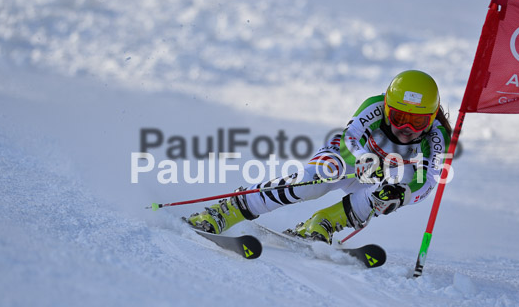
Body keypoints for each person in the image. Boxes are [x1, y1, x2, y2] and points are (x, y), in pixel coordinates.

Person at [187, 70, 452, 243]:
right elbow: (350, 137)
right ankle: (229, 209)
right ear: (387, 107)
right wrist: (363, 158)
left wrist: (401, 195)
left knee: (391, 189)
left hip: (379, 175)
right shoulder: (374, 105)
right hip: (346, 157)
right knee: (318, 179)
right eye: (399, 117)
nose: (406, 129)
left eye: (417, 121)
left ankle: (323, 223)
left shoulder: (438, 136)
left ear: (431, 116)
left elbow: (429, 181)